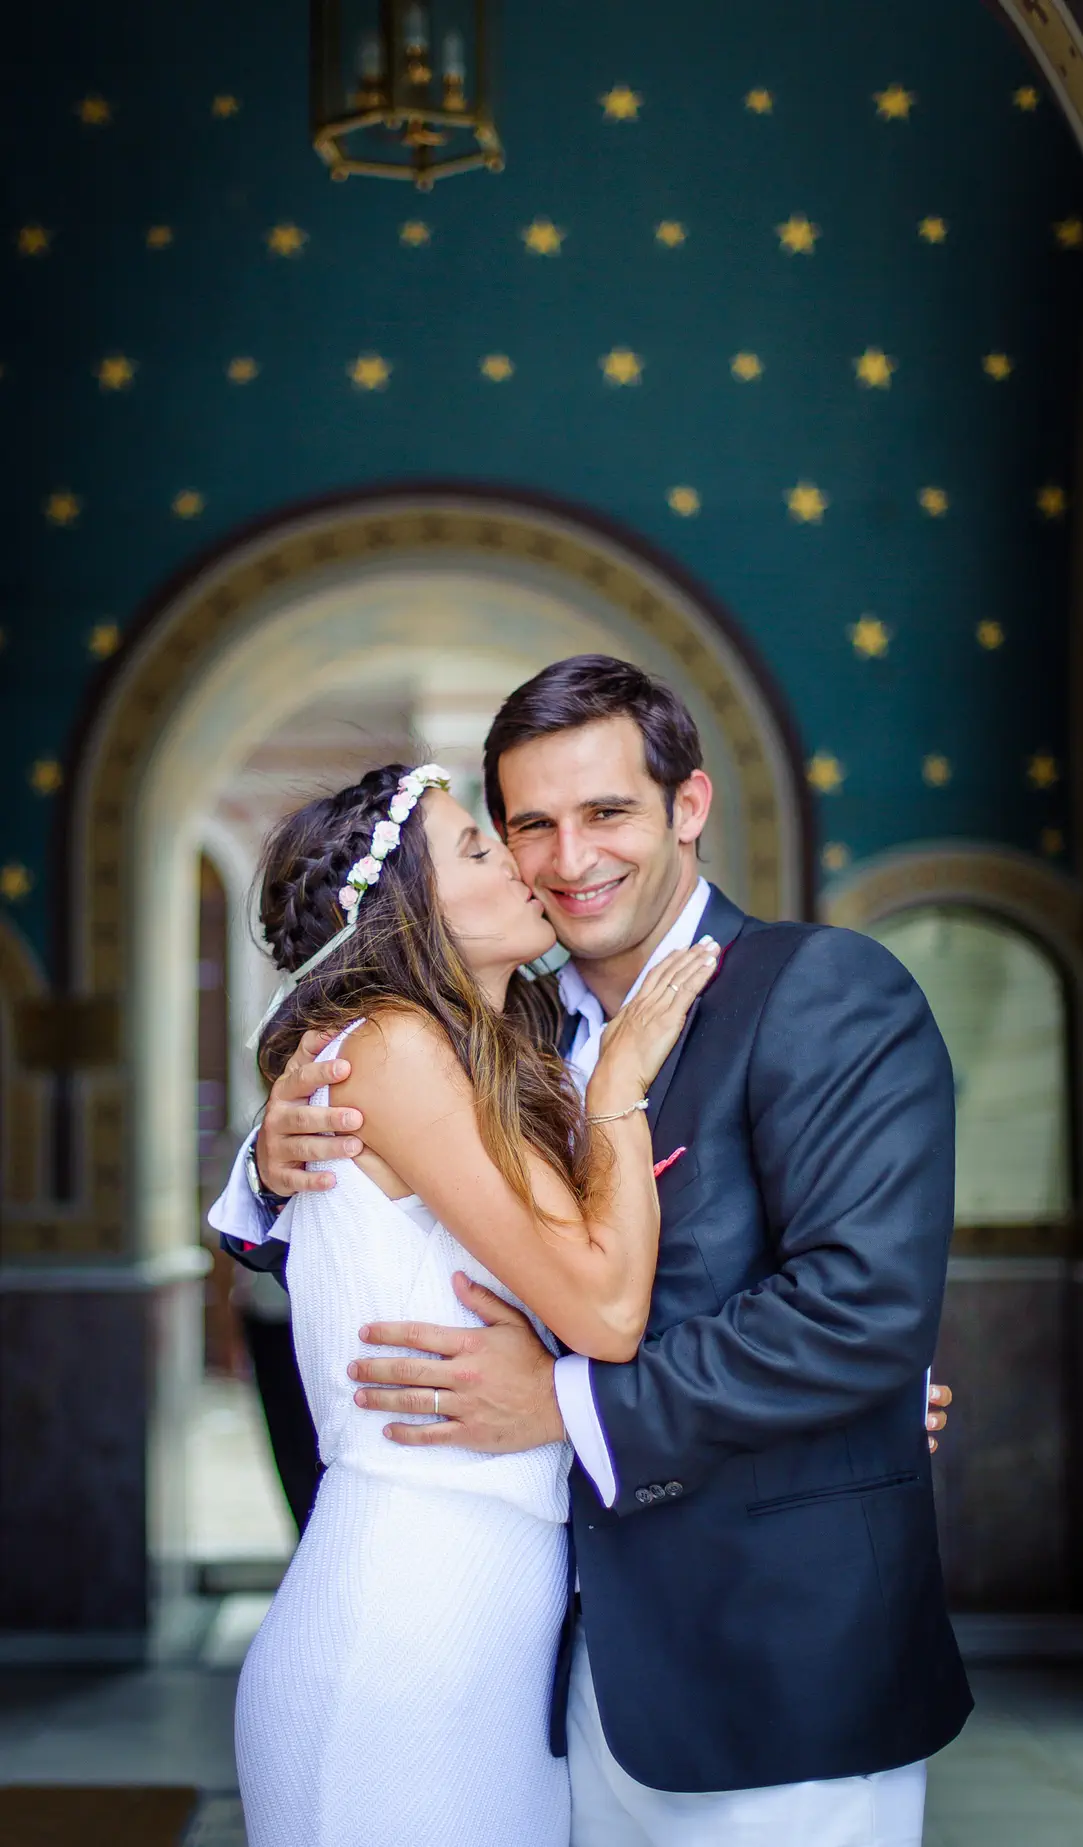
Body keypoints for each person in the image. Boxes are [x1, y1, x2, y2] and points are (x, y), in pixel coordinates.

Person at [217, 656, 970, 1846]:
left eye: (609, 810)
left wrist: (562, 1402)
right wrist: (265, 1167)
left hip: (775, 1674)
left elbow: (856, 1309)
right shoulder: (492, 1025)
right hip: (551, 1675)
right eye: (529, 825)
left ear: (689, 805)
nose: (570, 857)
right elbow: (382, 1199)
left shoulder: (820, 989)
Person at [213, 758, 720, 1847]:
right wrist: (618, 1087)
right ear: (410, 908)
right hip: (396, 1637)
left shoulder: (488, 1053)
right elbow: (605, 1311)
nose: (525, 864)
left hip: (493, 1644)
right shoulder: (393, 1047)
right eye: (482, 848)